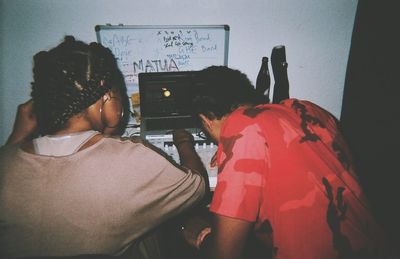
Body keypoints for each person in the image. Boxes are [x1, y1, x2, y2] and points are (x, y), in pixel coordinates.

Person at [0, 36, 210, 258]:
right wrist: (183, 141)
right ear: (106, 95)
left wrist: (17, 137)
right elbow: (198, 187)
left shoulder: (6, 162)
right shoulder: (132, 158)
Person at [181, 66, 395, 259]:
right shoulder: (308, 109)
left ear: (206, 120)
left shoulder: (241, 128)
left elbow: (224, 255)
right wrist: (226, 151)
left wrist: (200, 234)